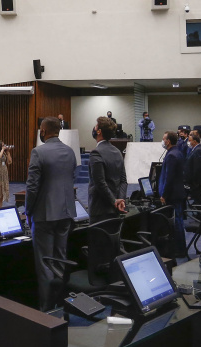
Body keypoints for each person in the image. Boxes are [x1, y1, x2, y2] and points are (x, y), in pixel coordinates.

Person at [25, 117, 77, 310]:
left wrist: (28, 211)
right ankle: (60, 304)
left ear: (44, 131)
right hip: (66, 213)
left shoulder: (38, 152)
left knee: (45, 264)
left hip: (44, 215)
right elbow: (71, 179)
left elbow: (32, 187)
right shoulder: (70, 152)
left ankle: (46, 311)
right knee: (60, 260)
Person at [88, 116, 127, 222]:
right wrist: (121, 200)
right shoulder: (117, 151)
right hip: (116, 209)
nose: (94, 128)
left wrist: (114, 201)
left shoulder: (96, 153)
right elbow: (123, 180)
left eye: (96, 126)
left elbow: (100, 182)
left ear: (99, 131)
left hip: (100, 210)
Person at [159, 131, 188, 258]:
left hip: (172, 194)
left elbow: (168, 178)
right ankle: (181, 248)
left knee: (176, 222)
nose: (162, 141)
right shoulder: (178, 152)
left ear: (168, 141)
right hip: (178, 192)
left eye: (164, 139)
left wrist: (164, 195)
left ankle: (179, 250)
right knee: (179, 221)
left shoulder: (171, 155)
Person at [184, 130, 201, 205]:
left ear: (194, 141)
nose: (189, 142)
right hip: (196, 182)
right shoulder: (195, 149)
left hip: (197, 182)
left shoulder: (198, 150)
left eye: (190, 141)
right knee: (198, 200)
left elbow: (197, 168)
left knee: (199, 200)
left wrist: (194, 182)